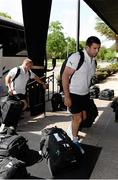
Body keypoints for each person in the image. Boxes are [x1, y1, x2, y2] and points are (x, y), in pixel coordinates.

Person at [62, 36, 101, 152]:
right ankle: (74, 141)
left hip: (85, 94)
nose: (97, 51)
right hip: (74, 94)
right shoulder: (77, 57)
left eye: (98, 48)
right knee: (78, 119)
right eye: (94, 48)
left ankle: (72, 128)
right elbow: (65, 76)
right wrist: (67, 96)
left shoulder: (93, 61)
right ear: (87, 47)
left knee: (83, 117)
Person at [0, 58, 48, 133]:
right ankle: (5, 126)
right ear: (26, 64)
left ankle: (12, 126)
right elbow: (7, 78)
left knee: (20, 108)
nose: (31, 68)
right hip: (14, 93)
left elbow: (36, 78)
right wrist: (9, 88)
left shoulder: (29, 72)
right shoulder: (16, 70)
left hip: (22, 93)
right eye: (30, 66)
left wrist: (43, 83)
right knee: (12, 109)